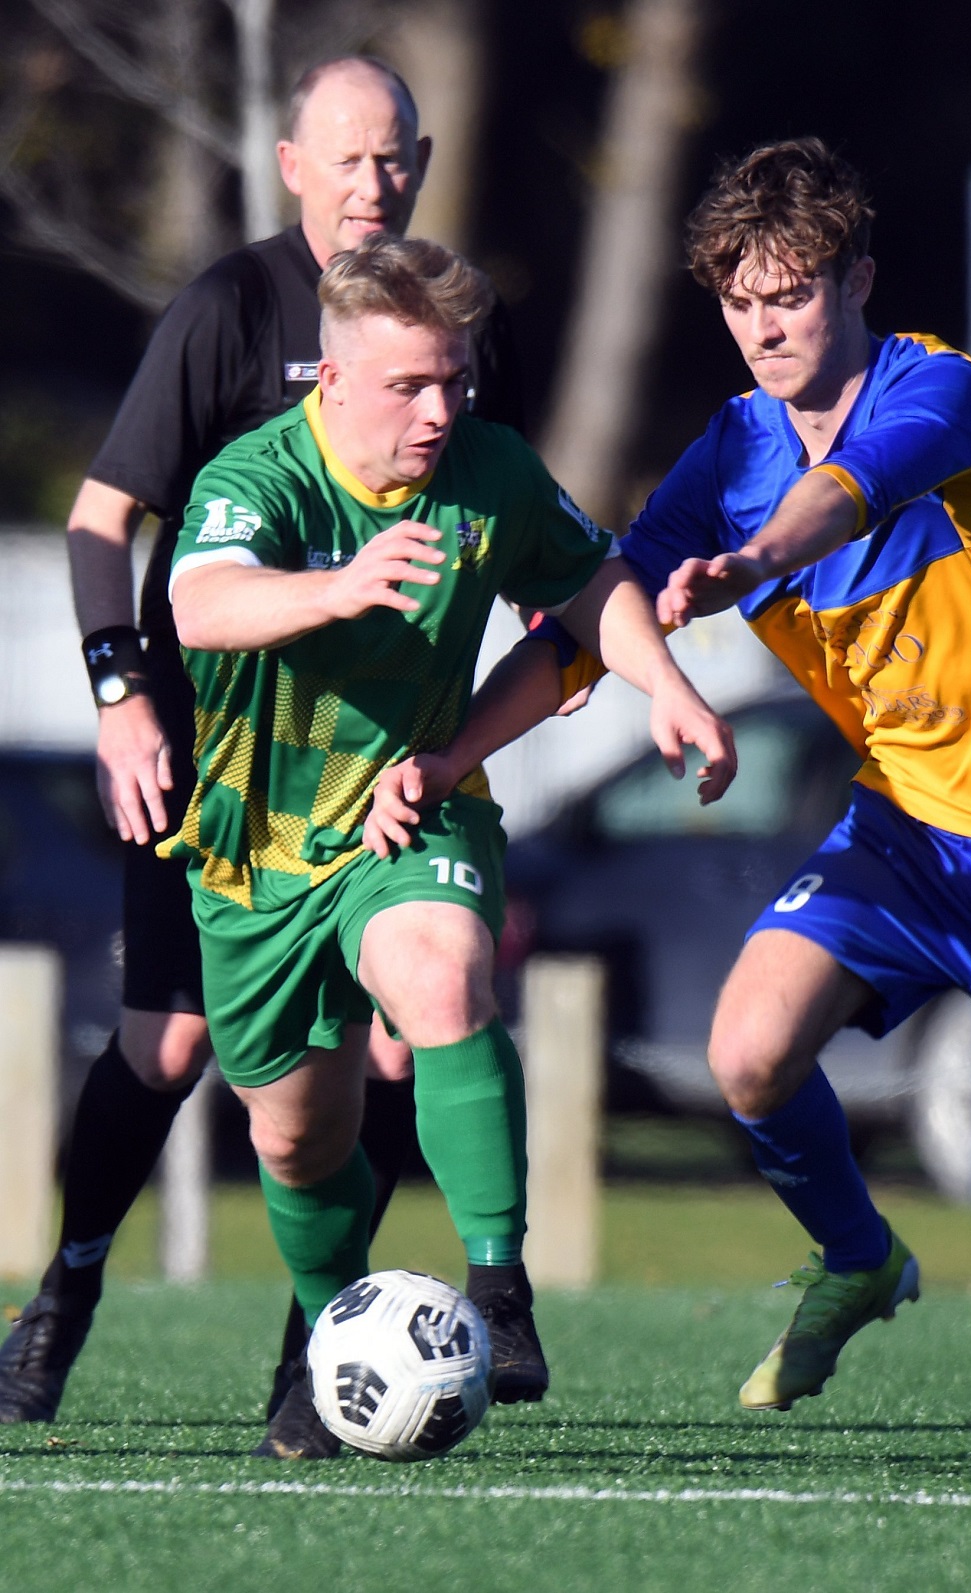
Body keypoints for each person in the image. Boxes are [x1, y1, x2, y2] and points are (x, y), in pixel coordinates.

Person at [410, 138, 971, 1478]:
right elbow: (590, 614)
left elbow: (846, 492)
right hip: (912, 831)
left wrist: (746, 561)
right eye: (741, 303)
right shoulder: (727, 450)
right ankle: (863, 1258)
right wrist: (454, 753)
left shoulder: (943, 392)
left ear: (858, 280)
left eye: (793, 296)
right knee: (748, 1049)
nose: (764, 328)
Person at [0, 56, 522, 1450]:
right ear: (291, 165)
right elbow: (107, 517)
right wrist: (121, 694)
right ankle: (67, 1287)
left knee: (406, 1043)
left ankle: (322, 1339)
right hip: (216, 759)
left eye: (395, 159)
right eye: (345, 161)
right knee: (167, 1044)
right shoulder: (229, 308)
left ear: (423, 159)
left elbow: (495, 514)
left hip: (379, 770)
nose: (373, 185)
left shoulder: (453, 318)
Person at [163, 232, 734, 1456]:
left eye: (455, 380)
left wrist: (665, 685)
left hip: (412, 805)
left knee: (440, 977)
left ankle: (499, 1292)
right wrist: (336, 587)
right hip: (255, 861)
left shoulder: (491, 471)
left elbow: (590, 590)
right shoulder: (259, 477)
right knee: (294, 1142)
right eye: (409, 385)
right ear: (330, 378)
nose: (439, 410)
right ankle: (336, 1348)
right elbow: (201, 603)